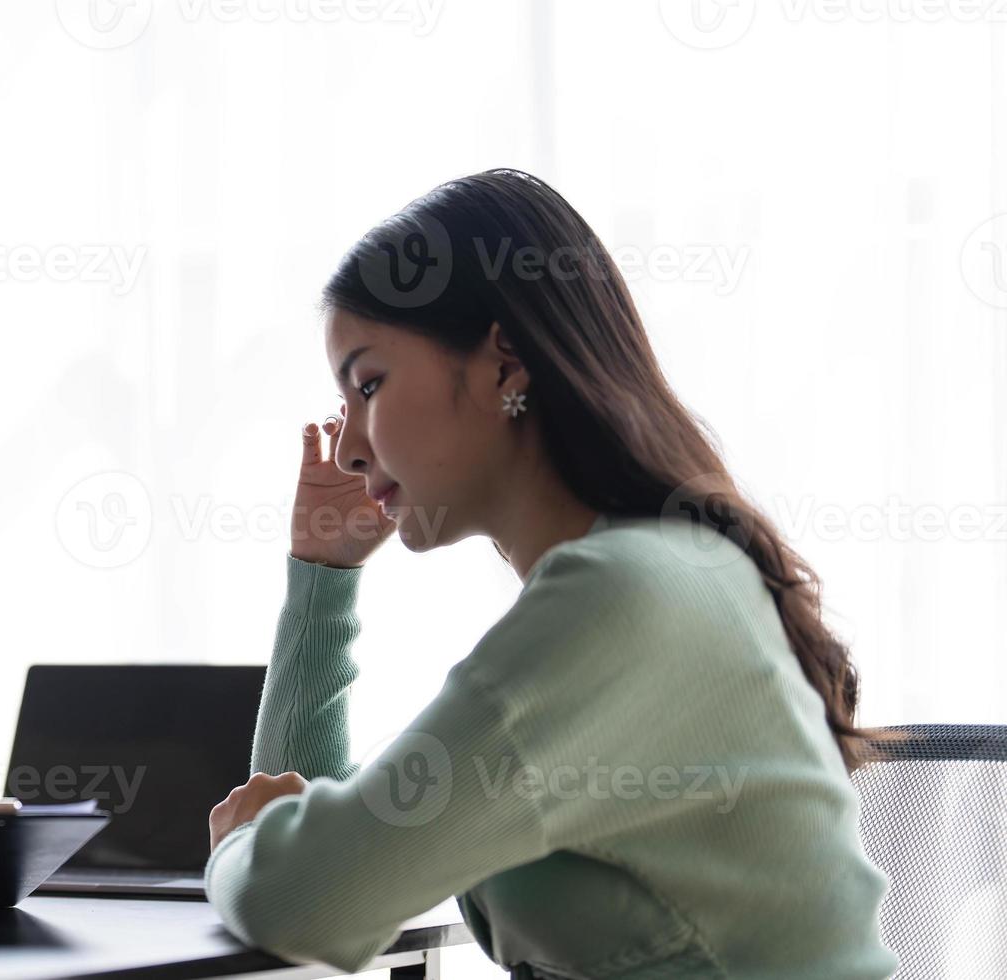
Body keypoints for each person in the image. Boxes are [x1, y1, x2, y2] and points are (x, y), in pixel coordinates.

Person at [204, 170, 895, 976]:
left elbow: (301, 900)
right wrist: (322, 577)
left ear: (505, 362)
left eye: (368, 384)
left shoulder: (618, 600)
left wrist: (245, 846)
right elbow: (326, 863)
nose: (350, 446)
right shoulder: (659, 568)